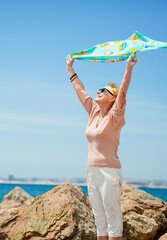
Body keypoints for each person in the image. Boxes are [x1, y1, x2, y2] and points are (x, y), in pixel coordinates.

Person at [66, 52, 137, 240]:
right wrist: (71, 68)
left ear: (112, 98)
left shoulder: (115, 116)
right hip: (91, 170)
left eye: (103, 90)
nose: (98, 91)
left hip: (109, 172)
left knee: (112, 217)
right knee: (99, 220)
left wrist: (128, 68)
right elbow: (80, 91)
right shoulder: (94, 112)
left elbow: (122, 92)